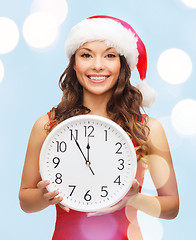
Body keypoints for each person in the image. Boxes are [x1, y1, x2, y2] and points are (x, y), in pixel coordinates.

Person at [19, 15, 179, 240]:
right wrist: (44, 196)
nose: (97, 65)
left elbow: (171, 207)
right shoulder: (47, 125)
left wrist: (134, 199)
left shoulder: (148, 129)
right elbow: (26, 200)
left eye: (110, 55)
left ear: (122, 63)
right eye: (86, 55)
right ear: (74, 62)